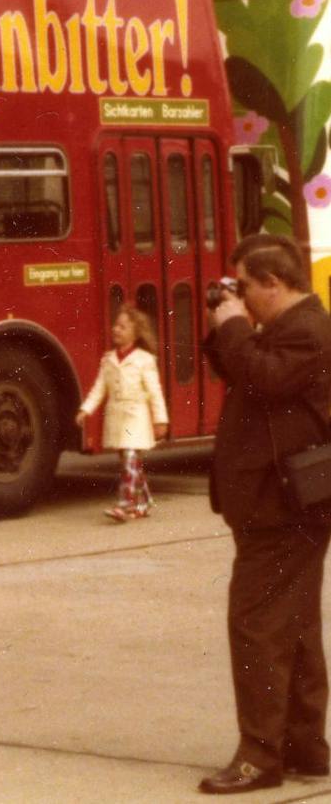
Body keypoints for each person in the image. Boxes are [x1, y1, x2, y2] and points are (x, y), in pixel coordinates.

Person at [199, 232, 331, 794]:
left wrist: (233, 326)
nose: (240, 296)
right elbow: (241, 368)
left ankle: (260, 756)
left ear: (273, 283)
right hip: (280, 505)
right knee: (293, 626)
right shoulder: (285, 328)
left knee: (256, 627)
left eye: (245, 286)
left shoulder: (308, 330)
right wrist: (226, 325)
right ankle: (303, 746)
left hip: (284, 509)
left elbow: (264, 376)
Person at [75, 304, 169, 522]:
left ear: (135, 333)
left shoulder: (144, 360)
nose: (116, 330)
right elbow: (99, 388)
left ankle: (125, 505)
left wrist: (160, 420)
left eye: (123, 327)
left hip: (136, 417)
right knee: (130, 463)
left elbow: (155, 392)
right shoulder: (108, 359)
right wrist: (85, 409)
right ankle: (143, 502)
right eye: (116, 325)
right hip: (117, 418)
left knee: (129, 460)